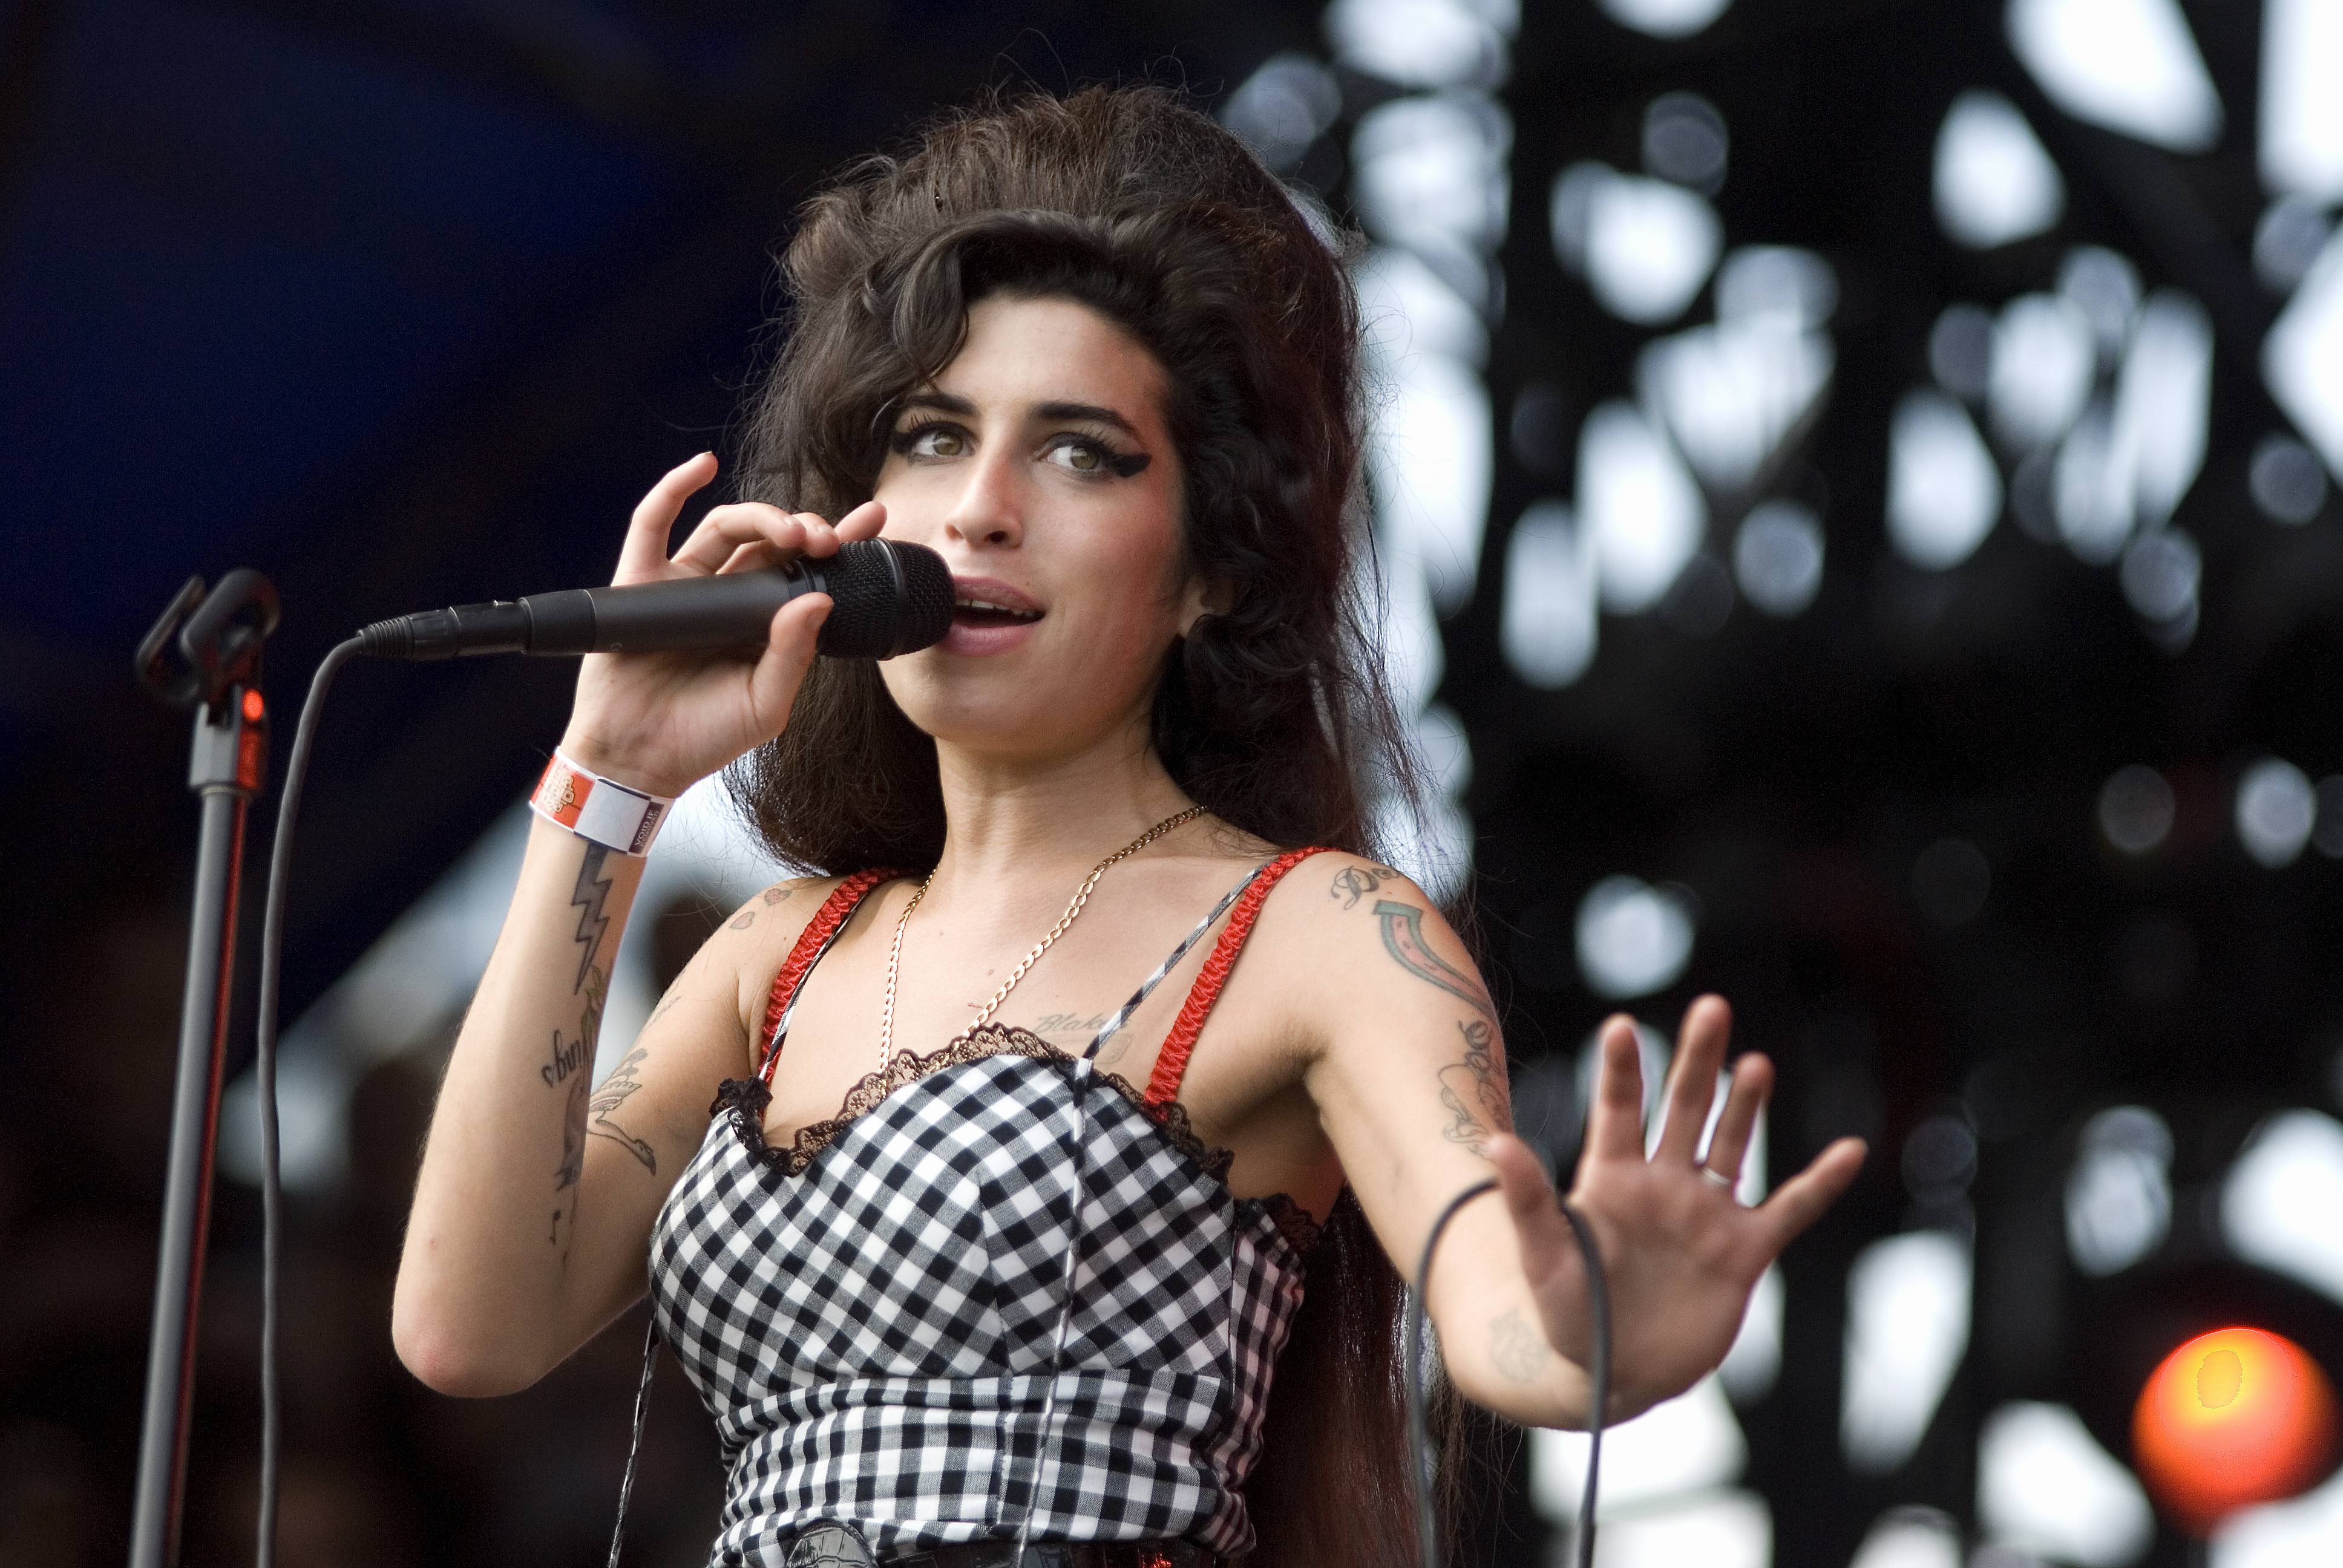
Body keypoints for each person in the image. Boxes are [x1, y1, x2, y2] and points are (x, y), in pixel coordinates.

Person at [389, 83, 1867, 1568]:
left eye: (1080, 451)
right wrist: (606, 780)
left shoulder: (1314, 931)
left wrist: (1596, 1321)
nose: (977, 509)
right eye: (928, 436)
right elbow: (471, 1323)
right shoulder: (781, 956)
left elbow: (1497, 1305)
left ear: (1214, 563)